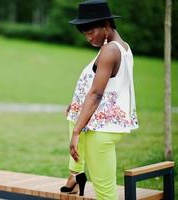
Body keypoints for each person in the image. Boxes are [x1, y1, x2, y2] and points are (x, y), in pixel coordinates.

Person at [60, 0, 139, 199]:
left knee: (105, 193)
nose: (88, 38)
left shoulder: (109, 50)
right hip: (104, 123)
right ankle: (75, 176)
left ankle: (75, 175)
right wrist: (78, 106)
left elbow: (96, 94)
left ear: (106, 25)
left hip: (101, 130)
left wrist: (76, 131)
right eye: (84, 34)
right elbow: (110, 86)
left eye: (90, 32)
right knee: (73, 115)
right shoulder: (122, 47)